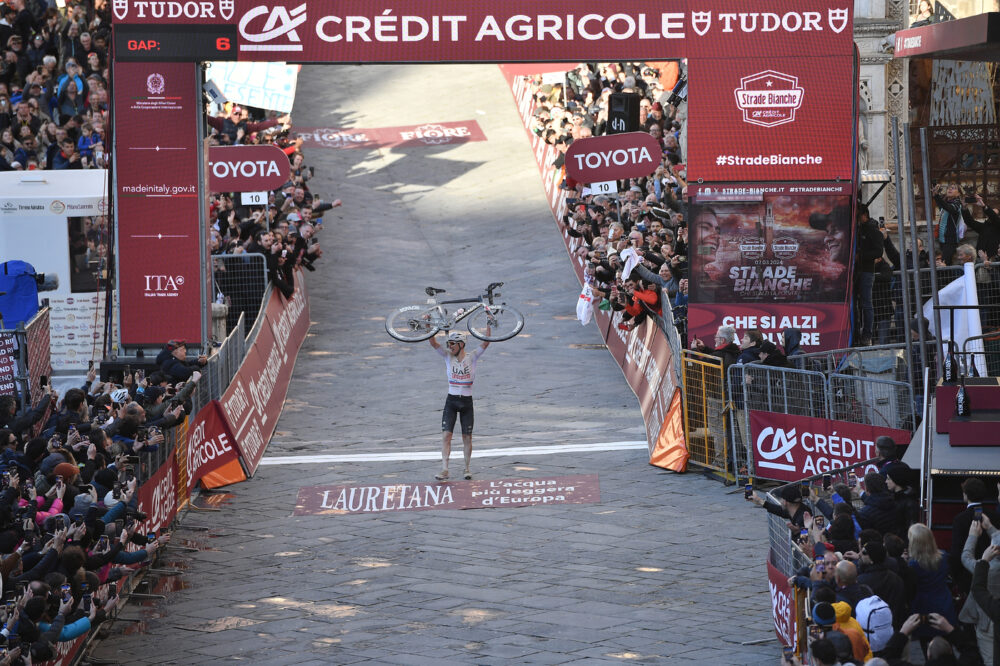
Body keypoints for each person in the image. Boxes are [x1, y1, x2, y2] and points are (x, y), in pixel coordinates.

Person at [428, 330, 489, 481]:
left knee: (467, 437)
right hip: (452, 400)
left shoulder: (472, 356)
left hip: (466, 402)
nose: (449, 347)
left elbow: (486, 342)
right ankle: (444, 469)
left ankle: (467, 468)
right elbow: (433, 343)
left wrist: (489, 322)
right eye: (448, 344)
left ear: (461, 345)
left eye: (452, 344)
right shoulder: (448, 357)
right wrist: (429, 326)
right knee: (446, 436)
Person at [932, 183, 963, 266]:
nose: (949, 189)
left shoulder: (957, 204)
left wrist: (937, 196)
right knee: (944, 264)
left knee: (944, 264)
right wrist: (935, 194)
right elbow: (941, 205)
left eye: (953, 188)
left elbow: (948, 208)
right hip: (943, 240)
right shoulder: (947, 203)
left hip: (950, 241)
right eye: (948, 188)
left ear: (959, 193)